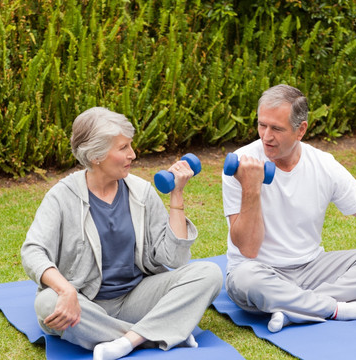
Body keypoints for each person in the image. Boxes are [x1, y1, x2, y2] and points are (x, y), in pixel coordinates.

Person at [21, 107, 222, 360]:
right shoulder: (62, 196)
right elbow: (33, 252)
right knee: (48, 304)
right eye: (123, 148)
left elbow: (174, 259)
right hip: (87, 303)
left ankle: (128, 340)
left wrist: (177, 195)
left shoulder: (141, 191)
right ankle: (155, 334)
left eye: (131, 146)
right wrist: (66, 291)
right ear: (96, 155)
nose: (133, 154)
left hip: (138, 297)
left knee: (209, 273)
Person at [222, 85, 356, 333]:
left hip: (312, 268)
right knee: (246, 280)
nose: (266, 136)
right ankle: (340, 310)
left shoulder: (323, 165)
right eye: (262, 125)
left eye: (276, 128)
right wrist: (251, 188)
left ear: (301, 130)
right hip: (260, 271)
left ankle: (292, 310)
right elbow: (248, 248)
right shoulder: (241, 163)